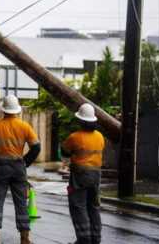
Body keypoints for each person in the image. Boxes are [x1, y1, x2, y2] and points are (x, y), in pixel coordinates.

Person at [0, 95, 41, 244]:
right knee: (21, 203)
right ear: (17, 110)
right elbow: (36, 147)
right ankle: (25, 238)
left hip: (0, 167)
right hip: (18, 167)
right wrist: (25, 162)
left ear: (3, 110)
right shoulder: (25, 126)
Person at [62, 103, 105, 244]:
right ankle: (95, 238)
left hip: (80, 176)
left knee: (78, 206)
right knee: (93, 206)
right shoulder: (100, 137)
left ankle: (84, 238)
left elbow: (64, 151)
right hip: (96, 176)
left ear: (81, 120)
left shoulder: (75, 137)